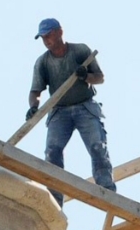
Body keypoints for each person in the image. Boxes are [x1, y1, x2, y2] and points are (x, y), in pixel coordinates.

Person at [27, 18, 115, 206]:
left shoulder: (80, 51)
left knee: (97, 147)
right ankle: (54, 200)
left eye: (49, 35)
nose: (46, 40)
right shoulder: (43, 62)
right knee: (52, 152)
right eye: (43, 37)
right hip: (60, 112)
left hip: (84, 107)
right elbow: (35, 91)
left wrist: (86, 76)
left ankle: (107, 191)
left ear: (60, 32)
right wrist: (33, 106)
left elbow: (100, 78)